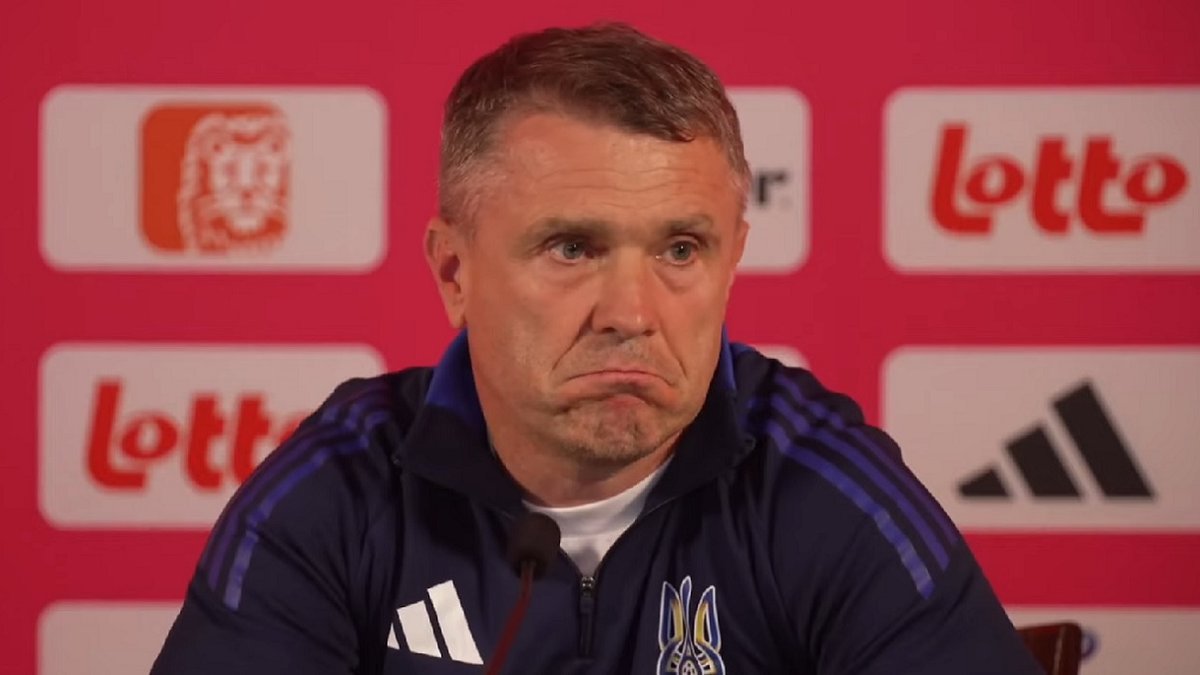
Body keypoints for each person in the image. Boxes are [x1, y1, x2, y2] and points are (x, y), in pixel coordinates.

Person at [151, 23, 1043, 674]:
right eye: (572, 248)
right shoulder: (340, 490)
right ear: (454, 271)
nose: (632, 312)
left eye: (680, 249)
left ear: (732, 258)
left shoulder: (817, 485)